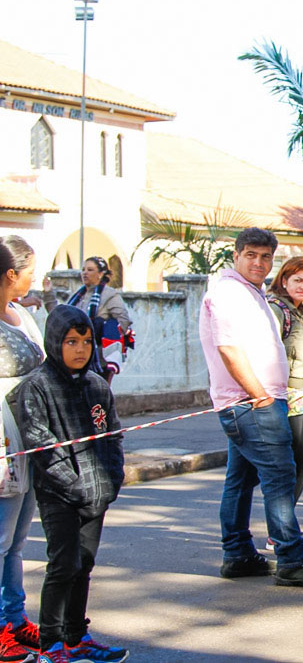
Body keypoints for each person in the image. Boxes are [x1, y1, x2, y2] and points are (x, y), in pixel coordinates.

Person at [198, 228, 303, 588]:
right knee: (280, 478)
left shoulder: (249, 291)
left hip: (256, 400)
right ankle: (291, 557)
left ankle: (238, 554)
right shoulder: (229, 292)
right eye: (251, 255)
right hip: (251, 403)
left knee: (241, 481)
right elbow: (229, 348)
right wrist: (258, 394)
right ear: (237, 255)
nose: (258, 263)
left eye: (265, 257)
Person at [10, 304, 128, 663]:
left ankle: (78, 636)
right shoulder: (37, 388)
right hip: (59, 496)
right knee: (64, 565)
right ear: (54, 342)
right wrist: (76, 488)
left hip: (98, 494)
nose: (80, 349)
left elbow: (113, 437)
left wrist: (110, 482)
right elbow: (41, 446)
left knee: (85, 563)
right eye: (71, 341)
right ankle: (52, 644)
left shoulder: (96, 385)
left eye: (87, 341)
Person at [0, 236, 45, 662]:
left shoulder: (19, 313)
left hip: (29, 441)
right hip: (3, 443)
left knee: (16, 541)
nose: (37, 276)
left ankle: (12, 619)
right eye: (31, 269)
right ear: (11, 274)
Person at [266, 256, 303, 552]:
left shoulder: (300, 313)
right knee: (291, 468)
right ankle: (281, 534)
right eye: (298, 280)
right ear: (284, 279)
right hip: (284, 402)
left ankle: (284, 530)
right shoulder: (277, 311)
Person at [42, 257, 132, 383]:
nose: (85, 273)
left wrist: (101, 330)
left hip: (98, 360)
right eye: (83, 269)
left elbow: (123, 321)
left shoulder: (109, 295)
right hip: (75, 354)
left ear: (101, 274)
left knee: (97, 395)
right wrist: (48, 293)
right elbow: (61, 318)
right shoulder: (78, 296)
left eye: (90, 270)